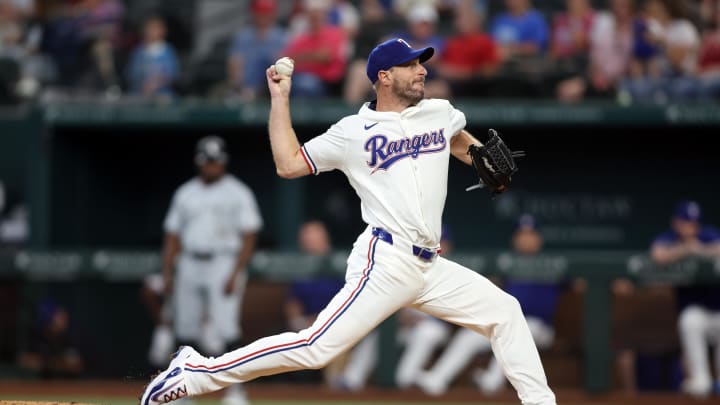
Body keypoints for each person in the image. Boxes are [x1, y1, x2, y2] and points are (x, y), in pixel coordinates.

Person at [141, 37, 557, 405]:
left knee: (505, 312)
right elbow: (288, 164)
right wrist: (280, 100)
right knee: (314, 347)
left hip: (430, 265)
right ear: (384, 77)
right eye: (411, 65)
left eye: (421, 63)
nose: (421, 70)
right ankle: (197, 372)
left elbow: (458, 138)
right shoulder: (352, 131)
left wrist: (479, 155)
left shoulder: (439, 112)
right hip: (387, 260)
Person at [158, 135, 263, 405]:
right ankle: (180, 391)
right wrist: (168, 272)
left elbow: (250, 235)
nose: (212, 167)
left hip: (223, 261)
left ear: (223, 162)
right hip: (190, 261)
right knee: (185, 329)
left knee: (227, 328)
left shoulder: (238, 191)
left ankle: (236, 391)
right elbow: (172, 235)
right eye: (207, 162)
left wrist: (236, 271)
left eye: (216, 162)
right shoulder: (186, 192)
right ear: (199, 162)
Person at [415, 214, 562, 396]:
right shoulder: (506, 262)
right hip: (505, 323)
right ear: (515, 238)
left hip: (540, 329)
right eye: (521, 234)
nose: (525, 239)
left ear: (538, 238)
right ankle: (438, 378)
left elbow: (583, 283)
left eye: (530, 234)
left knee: (522, 328)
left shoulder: (552, 262)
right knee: (470, 336)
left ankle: (493, 380)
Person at [650, 200, 720, 397]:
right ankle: (700, 379)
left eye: (693, 223)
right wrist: (685, 249)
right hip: (697, 310)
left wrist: (698, 249)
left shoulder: (707, 234)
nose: (690, 227)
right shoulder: (670, 237)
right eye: (686, 222)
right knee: (689, 321)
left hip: (718, 307)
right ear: (676, 223)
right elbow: (658, 254)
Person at [284, 220, 346, 386]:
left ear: (324, 239)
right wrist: (297, 321)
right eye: (306, 240)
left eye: (312, 239)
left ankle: (337, 389)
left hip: (335, 324)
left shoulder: (339, 262)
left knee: (338, 338)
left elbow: (345, 303)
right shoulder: (302, 264)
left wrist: (318, 321)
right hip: (306, 326)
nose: (308, 243)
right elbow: (293, 301)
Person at [17, 298, 85, 378]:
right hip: (41, 386)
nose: (65, 318)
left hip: (69, 386)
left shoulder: (71, 335)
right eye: (59, 316)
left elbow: (76, 366)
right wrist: (58, 363)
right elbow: (24, 361)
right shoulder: (36, 337)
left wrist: (47, 363)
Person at [125, 15, 180, 100]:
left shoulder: (168, 51)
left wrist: (155, 83)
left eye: (156, 28)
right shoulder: (138, 52)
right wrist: (142, 84)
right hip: (140, 93)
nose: (152, 32)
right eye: (150, 28)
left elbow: (172, 74)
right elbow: (131, 73)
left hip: (163, 94)